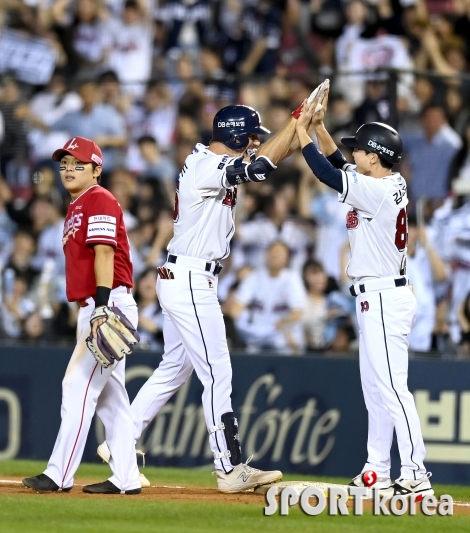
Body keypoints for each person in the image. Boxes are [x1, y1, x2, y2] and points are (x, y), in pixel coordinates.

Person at [97, 98, 313, 492]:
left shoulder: (207, 163)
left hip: (187, 276)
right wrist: (296, 123)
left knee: (174, 369)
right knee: (217, 372)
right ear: (232, 134)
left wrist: (299, 129)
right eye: (248, 137)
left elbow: (263, 157)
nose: (252, 143)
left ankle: (120, 442)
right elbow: (262, 166)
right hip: (191, 278)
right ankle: (229, 467)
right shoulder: (205, 165)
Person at [295, 90, 434, 498]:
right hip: (376, 296)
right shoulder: (385, 181)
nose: (353, 153)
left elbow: (327, 172)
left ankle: (416, 472)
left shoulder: (375, 190)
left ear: (375, 157)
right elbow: (340, 164)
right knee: (376, 389)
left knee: (391, 388)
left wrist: (302, 132)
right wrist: (319, 127)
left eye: (360, 150)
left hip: (385, 298)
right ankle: (377, 468)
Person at [22, 136, 142, 495]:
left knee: (76, 386)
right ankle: (127, 477)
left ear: (97, 169)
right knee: (111, 398)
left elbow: (105, 254)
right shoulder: (77, 205)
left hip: (106, 305)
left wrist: (103, 308)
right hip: (94, 306)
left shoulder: (99, 199)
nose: (69, 169)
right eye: (64, 163)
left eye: (78, 163)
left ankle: (59, 474)